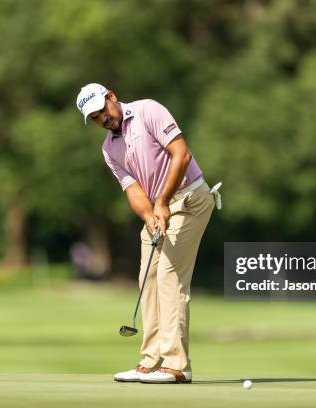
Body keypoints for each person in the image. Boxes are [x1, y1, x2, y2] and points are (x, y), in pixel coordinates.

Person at [76, 83, 221, 384]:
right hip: (159, 209)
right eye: (95, 118)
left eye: (103, 110)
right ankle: (150, 362)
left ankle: (177, 366)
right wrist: (149, 215)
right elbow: (133, 189)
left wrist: (163, 202)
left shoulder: (147, 111)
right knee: (148, 278)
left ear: (112, 97)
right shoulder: (109, 149)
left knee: (169, 275)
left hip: (191, 200)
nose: (103, 118)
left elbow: (181, 154)